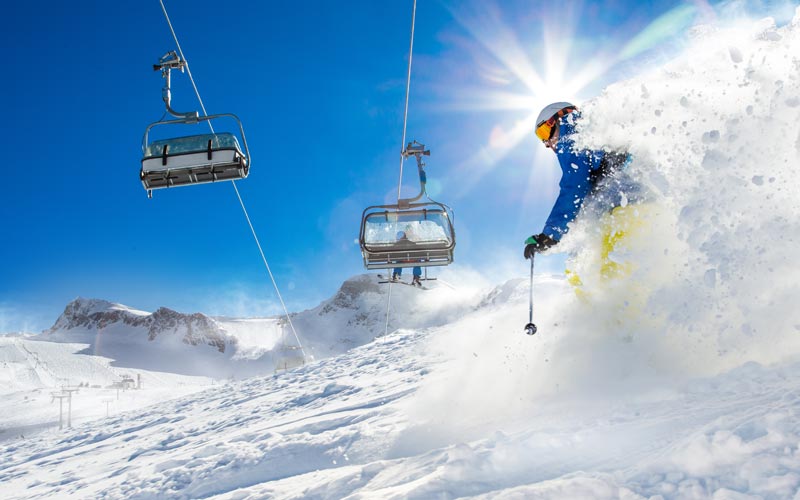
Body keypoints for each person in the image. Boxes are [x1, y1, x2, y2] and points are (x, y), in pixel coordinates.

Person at [524, 102, 634, 259]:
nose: (547, 143)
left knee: (604, 265)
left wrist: (549, 235)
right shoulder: (590, 130)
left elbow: (575, 186)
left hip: (625, 202)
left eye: (544, 132)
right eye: (541, 139)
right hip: (632, 197)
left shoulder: (569, 133)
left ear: (557, 119)